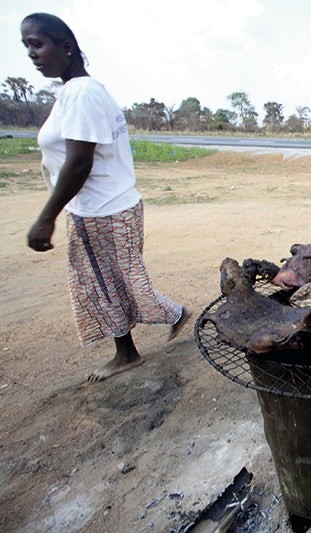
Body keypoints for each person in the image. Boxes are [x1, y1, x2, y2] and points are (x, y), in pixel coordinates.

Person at [21, 13, 191, 382]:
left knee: (109, 282)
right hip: (100, 208)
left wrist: (46, 217)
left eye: (37, 44)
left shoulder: (82, 93)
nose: (32, 54)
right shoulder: (74, 91)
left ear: (66, 47)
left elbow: (79, 162)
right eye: (27, 47)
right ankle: (141, 339)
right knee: (109, 281)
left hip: (104, 211)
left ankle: (138, 344)